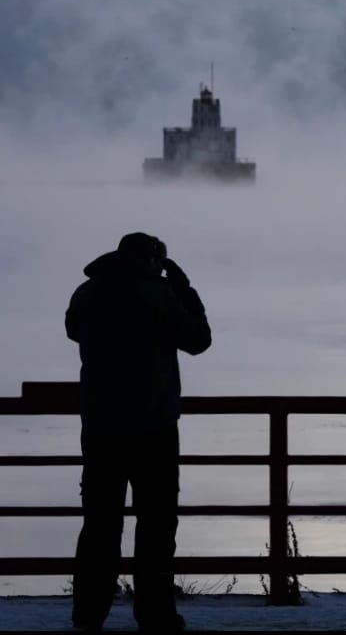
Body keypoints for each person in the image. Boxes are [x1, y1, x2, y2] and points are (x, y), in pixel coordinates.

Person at [65, 233, 211, 633]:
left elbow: (73, 331)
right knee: (157, 525)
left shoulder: (87, 292)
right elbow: (199, 340)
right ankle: (155, 614)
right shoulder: (159, 294)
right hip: (154, 426)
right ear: (154, 260)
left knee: (99, 524)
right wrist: (182, 286)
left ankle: (88, 614)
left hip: (99, 426)